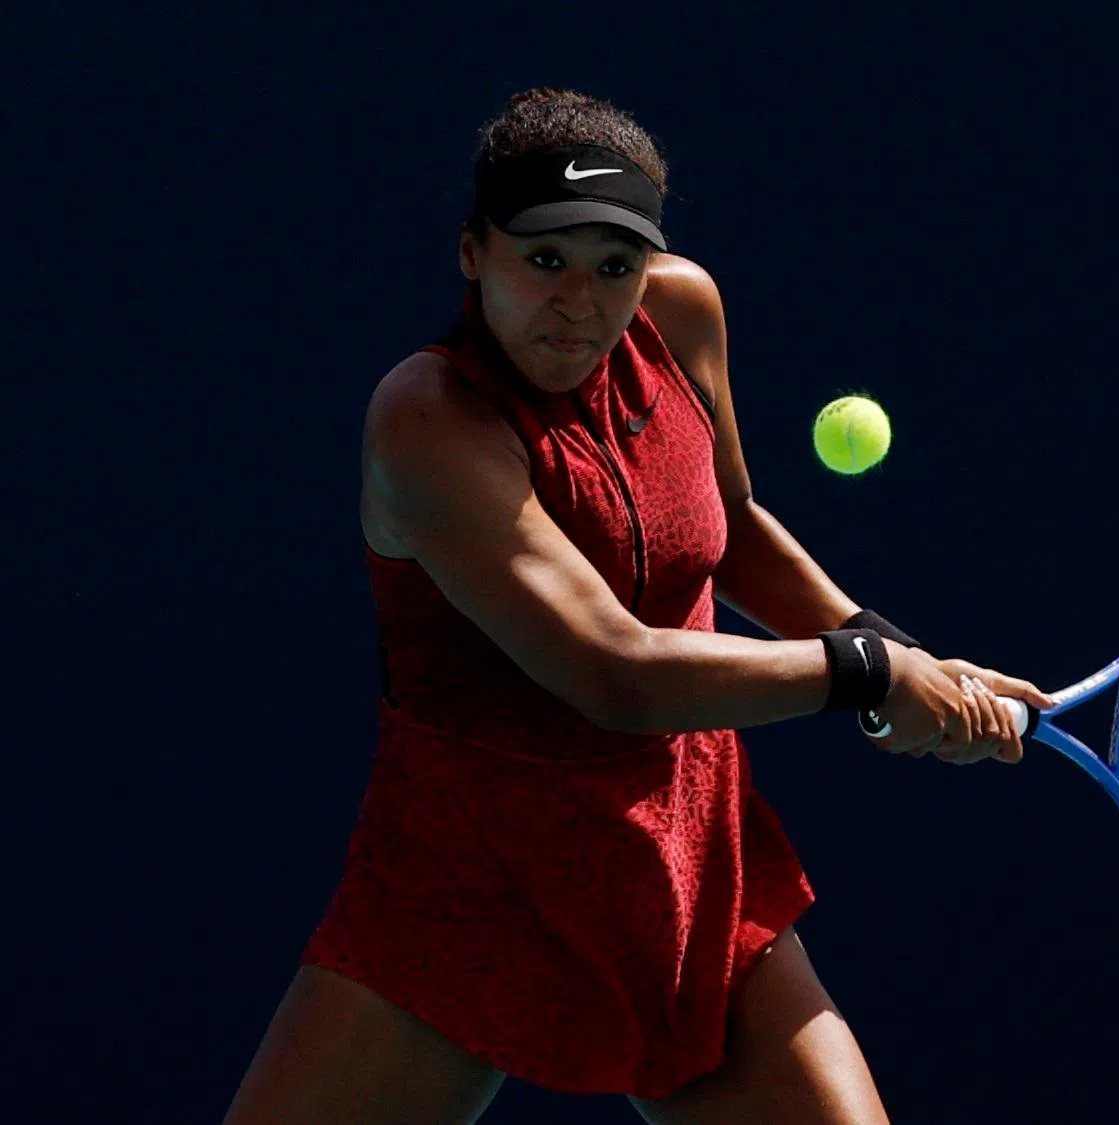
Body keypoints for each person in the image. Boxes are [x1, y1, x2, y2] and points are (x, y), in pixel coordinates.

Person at [222, 88, 1056, 1125]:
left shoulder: (681, 312)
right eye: (545, 261)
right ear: (472, 252)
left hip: (686, 863)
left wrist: (892, 649)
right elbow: (613, 672)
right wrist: (871, 677)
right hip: (473, 877)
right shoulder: (429, 422)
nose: (581, 303)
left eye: (614, 267)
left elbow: (733, 526)